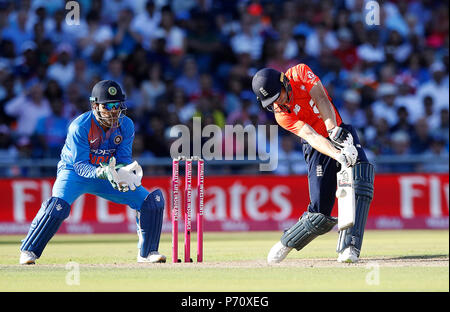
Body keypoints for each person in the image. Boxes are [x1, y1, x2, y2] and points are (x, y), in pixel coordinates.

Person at [19, 80, 166, 264]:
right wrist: (103, 172)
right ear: (95, 106)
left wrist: (124, 172)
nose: (114, 111)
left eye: (118, 105)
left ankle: (147, 253)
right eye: (109, 106)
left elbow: (123, 160)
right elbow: (80, 165)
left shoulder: (126, 125)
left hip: (108, 172)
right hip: (73, 173)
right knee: (57, 206)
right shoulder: (79, 127)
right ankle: (28, 251)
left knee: (150, 202)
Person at [252, 65, 374, 263]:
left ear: (284, 82)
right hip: (318, 147)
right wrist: (338, 155)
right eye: (272, 101)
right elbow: (310, 135)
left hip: (338, 129)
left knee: (362, 180)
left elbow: (321, 98)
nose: (279, 103)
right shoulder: (281, 115)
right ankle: (287, 241)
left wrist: (334, 131)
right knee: (320, 215)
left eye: (279, 96)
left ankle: (349, 247)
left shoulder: (300, 72)